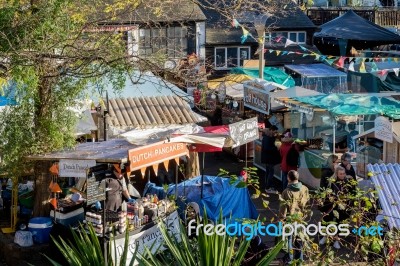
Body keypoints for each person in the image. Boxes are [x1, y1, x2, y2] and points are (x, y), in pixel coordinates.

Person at [319, 166, 356, 249]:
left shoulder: (348, 181)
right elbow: (327, 193)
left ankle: (336, 240)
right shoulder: (332, 182)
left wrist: (349, 203)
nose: (342, 175)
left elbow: (352, 193)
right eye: (340, 174)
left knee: (341, 222)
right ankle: (325, 236)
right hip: (332, 204)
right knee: (327, 220)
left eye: (343, 173)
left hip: (343, 206)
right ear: (337, 174)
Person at [279, 170, 310, 265]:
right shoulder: (304, 188)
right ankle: (300, 260)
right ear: (298, 177)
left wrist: (282, 219)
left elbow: (283, 208)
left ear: (288, 178)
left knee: (289, 240)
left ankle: (290, 260)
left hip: (290, 219)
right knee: (299, 239)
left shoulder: (286, 191)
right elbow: (307, 203)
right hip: (300, 218)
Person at [261, 126, 280, 193]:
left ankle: (267, 185)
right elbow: (267, 148)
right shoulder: (267, 137)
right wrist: (276, 148)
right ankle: (268, 187)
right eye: (275, 132)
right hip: (269, 158)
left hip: (268, 158)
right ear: (271, 130)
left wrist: (274, 137)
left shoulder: (268, 136)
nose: (275, 133)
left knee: (268, 172)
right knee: (270, 173)